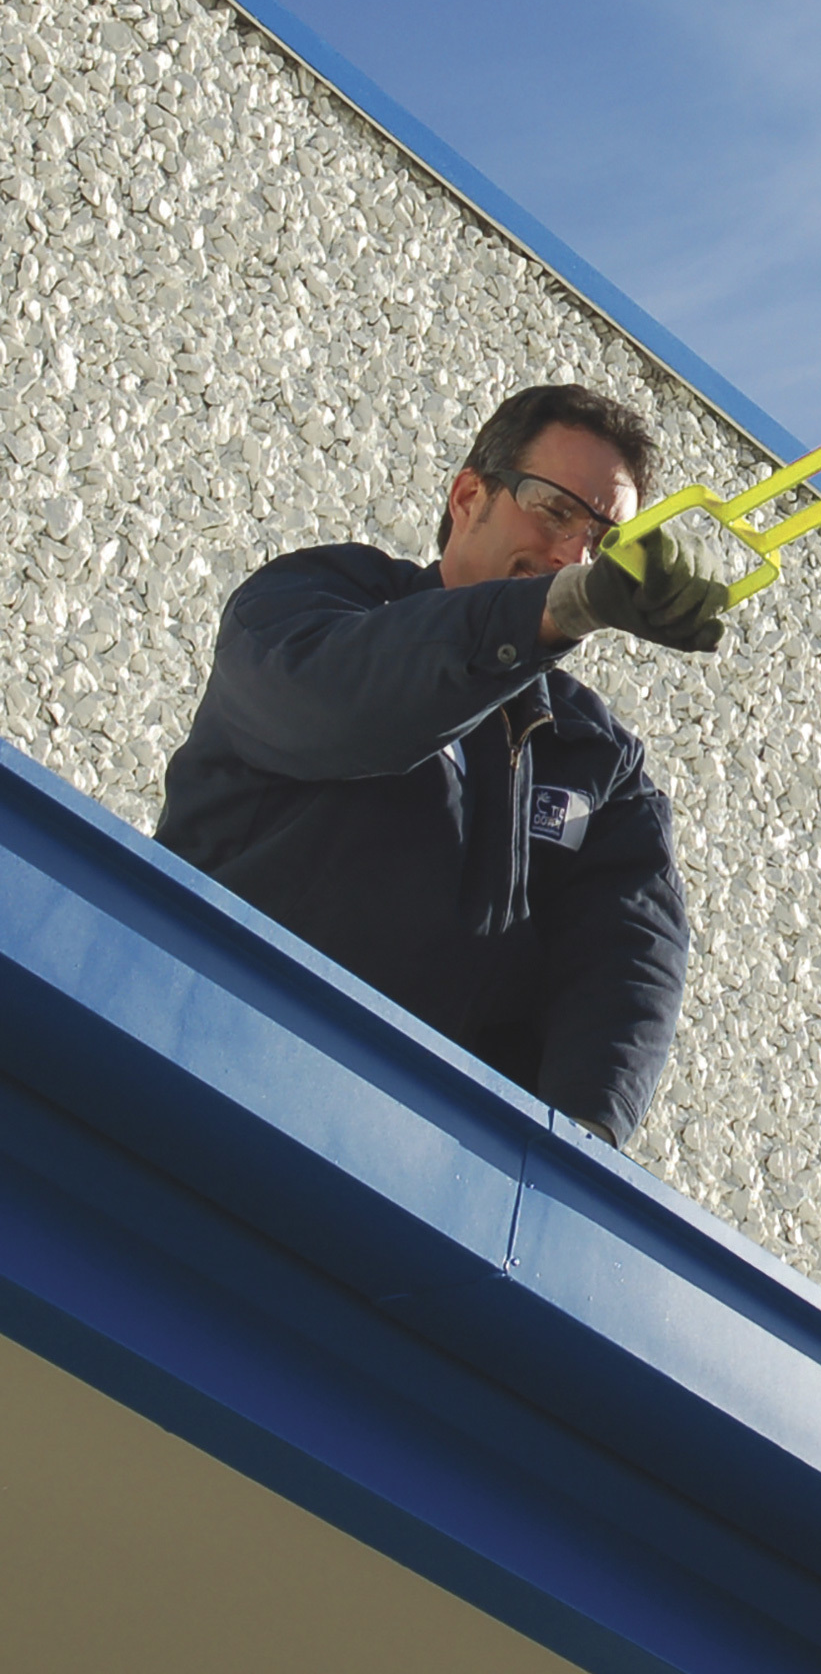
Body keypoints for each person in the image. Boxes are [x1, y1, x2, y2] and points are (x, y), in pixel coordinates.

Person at [157, 384, 730, 1147]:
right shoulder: (322, 598)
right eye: (555, 510)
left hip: (408, 1164)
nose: (573, 554)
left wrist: (578, 1150)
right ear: (468, 495)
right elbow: (336, 702)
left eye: (604, 544)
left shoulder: (598, 758)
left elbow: (629, 955)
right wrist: (555, 610)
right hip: (187, 1049)